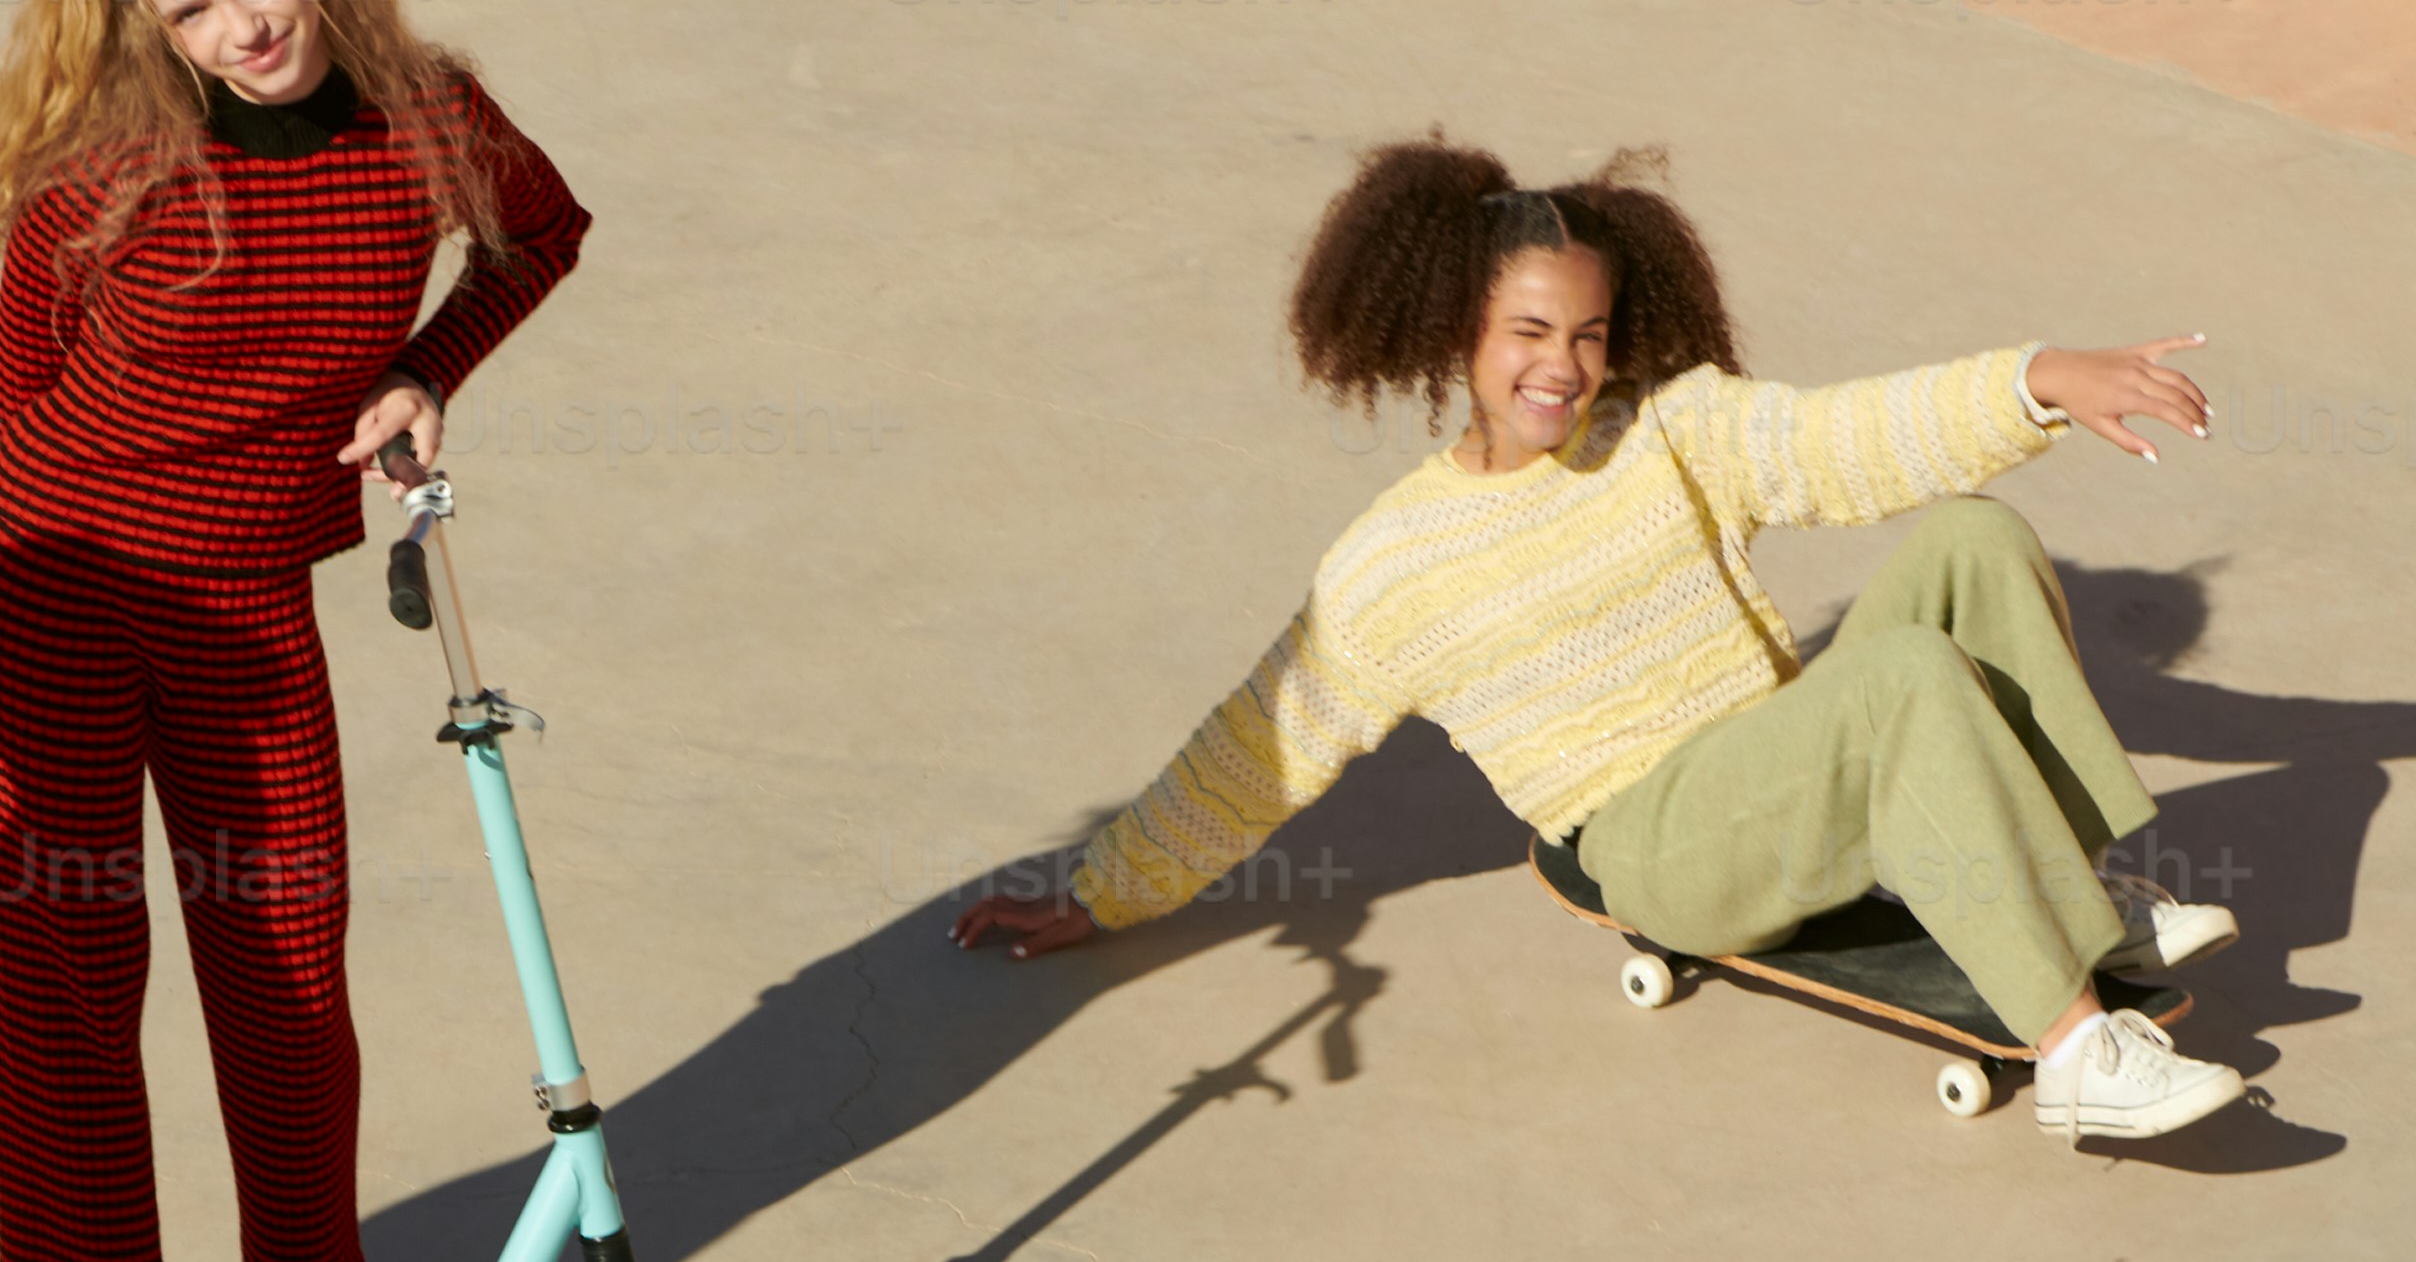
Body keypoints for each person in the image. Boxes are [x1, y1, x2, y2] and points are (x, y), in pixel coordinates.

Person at [956, 136, 2245, 1147]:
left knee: (1973, 537)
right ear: (1450, 332)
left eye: (1585, 332)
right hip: (1654, 847)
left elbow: (1845, 440)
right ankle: (2080, 1059)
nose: (1562, 368)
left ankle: (2085, 907)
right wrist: (1097, 888)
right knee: (1903, 673)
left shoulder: (1663, 429)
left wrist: (2034, 381)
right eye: (1526, 333)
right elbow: (1262, 747)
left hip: (1769, 767)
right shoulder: (1392, 568)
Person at [0, 0, 593, 1262]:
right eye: (196, 8)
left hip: (246, 603)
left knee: (289, 967)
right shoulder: (108, 165)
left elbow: (543, 234)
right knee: (81, 973)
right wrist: (150, 497)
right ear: (151, 29)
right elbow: (23, 396)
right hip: (63, 590)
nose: (248, 23)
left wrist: (421, 371)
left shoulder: (429, 114)